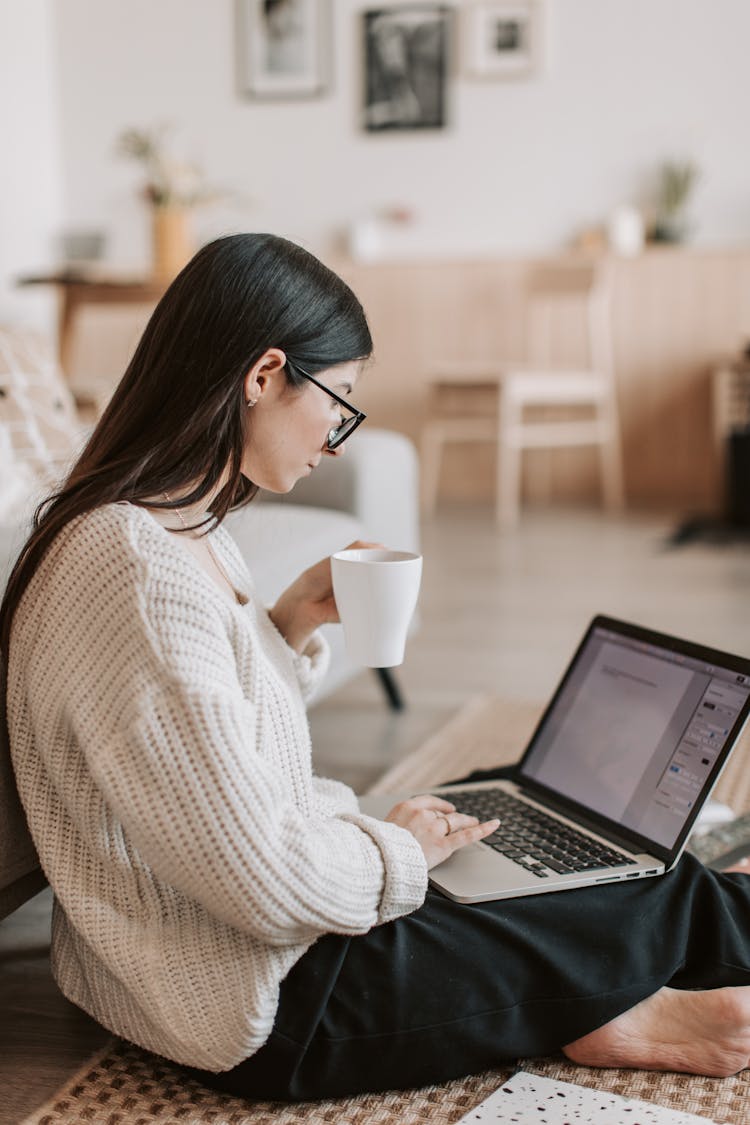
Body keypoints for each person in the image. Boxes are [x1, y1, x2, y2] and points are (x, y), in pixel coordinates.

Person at [3, 232, 750, 1103]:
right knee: (661, 895)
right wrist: (398, 853)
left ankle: (598, 1003)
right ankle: (644, 963)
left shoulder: (168, 526)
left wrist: (281, 632)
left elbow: (198, 756)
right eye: (340, 401)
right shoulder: (134, 565)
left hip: (219, 952)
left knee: (497, 813)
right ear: (264, 374)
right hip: (265, 1003)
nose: (339, 440)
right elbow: (264, 880)